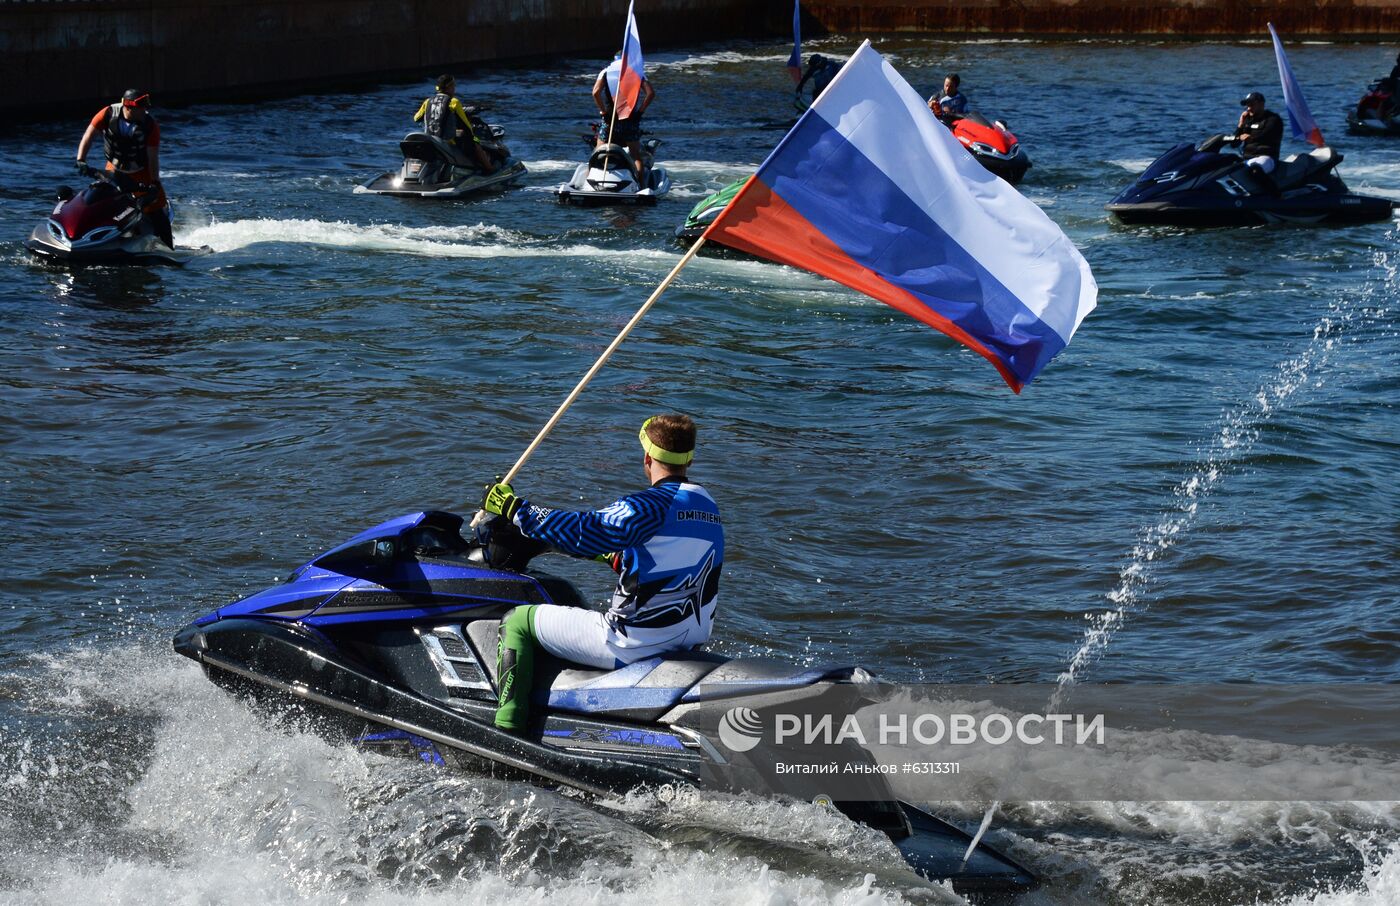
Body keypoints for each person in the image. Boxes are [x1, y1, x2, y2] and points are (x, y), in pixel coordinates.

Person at [481, 415, 723, 734]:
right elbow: (649, 557)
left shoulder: (651, 505)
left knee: (517, 621)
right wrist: (565, 548)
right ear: (690, 458)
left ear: (647, 457)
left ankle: (507, 731)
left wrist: (515, 510)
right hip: (686, 642)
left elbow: (588, 529)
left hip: (631, 643)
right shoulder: (708, 506)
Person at [75, 89, 172, 247]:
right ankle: (95, 240)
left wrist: (154, 183)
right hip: (113, 170)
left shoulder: (150, 125)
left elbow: (153, 157)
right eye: (141, 107)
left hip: (142, 173)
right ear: (128, 107)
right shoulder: (107, 113)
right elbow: (89, 135)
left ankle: (169, 248)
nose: (144, 111)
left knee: (156, 210)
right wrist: (81, 160)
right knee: (104, 202)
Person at [414, 74, 495, 173]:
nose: (454, 88)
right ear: (449, 87)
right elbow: (466, 126)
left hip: (430, 140)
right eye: (454, 86)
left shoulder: (427, 101)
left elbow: (416, 118)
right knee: (476, 142)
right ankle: (490, 170)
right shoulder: (454, 102)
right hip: (448, 141)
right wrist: (474, 137)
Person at [592, 55, 655, 182]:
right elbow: (650, 93)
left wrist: (603, 111)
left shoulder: (606, 71)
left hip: (610, 120)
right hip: (630, 120)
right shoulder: (637, 73)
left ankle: (593, 182)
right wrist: (639, 112)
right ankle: (640, 185)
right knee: (636, 156)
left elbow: (595, 92)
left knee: (598, 153)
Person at [1235, 91, 1284, 180]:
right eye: (1247, 105)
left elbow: (1265, 135)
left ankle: (1276, 193)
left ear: (1261, 104)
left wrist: (1250, 138)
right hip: (1247, 157)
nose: (1249, 108)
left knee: (1255, 170)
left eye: (1252, 105)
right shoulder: (1247, 120)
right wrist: (1240, 124)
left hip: (1266, 157)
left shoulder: (1273, 119)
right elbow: (1234, 144)